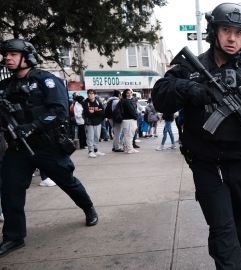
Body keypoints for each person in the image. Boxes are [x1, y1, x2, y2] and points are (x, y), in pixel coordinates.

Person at [151, 3, 241, 269]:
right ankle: (231, 258)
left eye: (239, 33)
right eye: (226, 30)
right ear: (214, 31)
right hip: (207, 162)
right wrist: (190, 89)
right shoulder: (190, 67)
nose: (232, 38)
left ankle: (240, 247)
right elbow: (160, 95)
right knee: (221, 226)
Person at [0, 38, 98, 258]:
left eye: (13, 54)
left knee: (67, 181)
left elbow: (59, 111)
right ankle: (14, 237)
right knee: (10, 191)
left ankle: (88, 207)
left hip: (47, 146)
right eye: (6, 55)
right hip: (18, 149)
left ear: (27, 57)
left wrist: (32, 126)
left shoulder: (46, 80)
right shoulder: (5, 86)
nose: (7, 58)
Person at [82, 89, 106, 158]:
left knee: (97, 137)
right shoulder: (85, 102)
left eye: (91, 93)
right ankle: (90, 151)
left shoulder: (98, 102)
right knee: (90, 137)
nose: (90, 95)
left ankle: (96, 150)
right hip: (89, 123)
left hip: (98, 123)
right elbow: (87, 113)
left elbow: (102, 112)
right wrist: (97, 111)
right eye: (88, 93)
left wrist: (93, 111)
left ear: (94, 95)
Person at [119, 89, 138, 154]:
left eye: (130, 93)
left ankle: (127, 148)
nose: (129, 94)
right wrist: (136, 116)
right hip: (129, 120)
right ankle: (130, 149)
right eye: (128, 93)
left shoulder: (123, 101)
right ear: (125, 94)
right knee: (129, 136)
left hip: (126, 120)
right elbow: (132, 111)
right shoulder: (126, 101)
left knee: (127, 135)